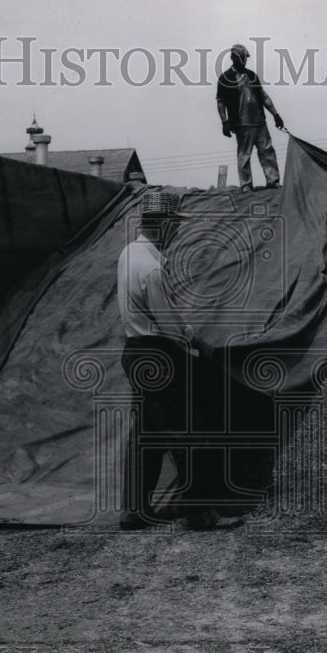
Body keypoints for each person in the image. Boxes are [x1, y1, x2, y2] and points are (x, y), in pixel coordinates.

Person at [117, 191, 244, 531]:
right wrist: (200, 343)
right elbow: (170, 322)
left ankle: (134, 510)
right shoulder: (152, 268)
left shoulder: (129, 253)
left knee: (145, 434)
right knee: (187, 432)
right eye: (174, 225)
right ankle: (199, 512)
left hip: (134, 352)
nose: (176, 231)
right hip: (158, 355)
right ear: (162, 224)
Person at [216, 43, 284, 192]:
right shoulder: (225, 78)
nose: (244, 60)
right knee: (244, 155)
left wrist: (276, 115)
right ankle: (246, 185)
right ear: (234, 58)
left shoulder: (252, 75)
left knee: (267, 151)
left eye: (245, 58)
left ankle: (273, 182)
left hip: (259, 122)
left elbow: (263, 96)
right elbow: (221, 102)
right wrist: (225, 122)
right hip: (242, 124)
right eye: (242, 57)